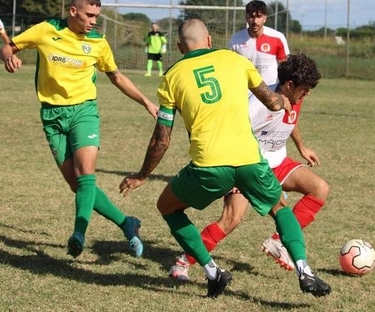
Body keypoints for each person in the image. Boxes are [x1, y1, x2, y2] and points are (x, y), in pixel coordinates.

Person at [119, 19, 331, 298]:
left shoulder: (171, 76)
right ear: (209, 39)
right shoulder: (236, 60)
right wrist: (280, 103)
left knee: (168, 206)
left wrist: (142, 175)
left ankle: (211, 271)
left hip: (210, 165)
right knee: (280, 209)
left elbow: (162, 139)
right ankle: (304, 269)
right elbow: (272, 101)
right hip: (249, 160)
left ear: (180, 46)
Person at [0, 0, 159, 259]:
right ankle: (127, 223)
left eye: (96, 16)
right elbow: (8, 46)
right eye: (89, 15)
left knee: (86, 172)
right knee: (78, 185)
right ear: (73, 11)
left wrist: (146, 101)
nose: (93, 21)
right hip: (51, 116)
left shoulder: (98, 42)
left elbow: (117, 77)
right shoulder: (46, 30)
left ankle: (78, 234)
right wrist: (8, 57)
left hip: (83, 112)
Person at [169, 53, 330, 281]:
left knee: (320, 189)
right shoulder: (258, 105)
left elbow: (290, 119)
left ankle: (278, 241)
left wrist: (302, 147)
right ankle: (182, 264)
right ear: (289, 84)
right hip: (249, 166)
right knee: (231, 220)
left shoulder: (295, 96)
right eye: (305, 88)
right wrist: (236, 177)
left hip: (278, 162)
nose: (308, 93)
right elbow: (233, 131)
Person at [228, 0, 289, 85]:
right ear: (246, 18)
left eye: (259, 17)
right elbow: (231, 67)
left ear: (265, 18)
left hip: (271, 91)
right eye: (252, 17)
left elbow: (286, 67)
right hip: (246, 91)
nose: (255, 21)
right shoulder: (235, 40)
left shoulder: (278, 37)